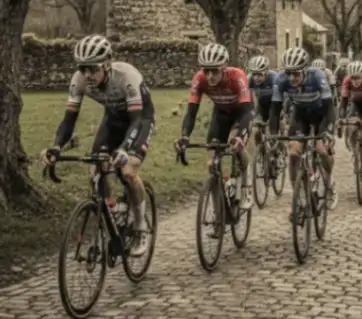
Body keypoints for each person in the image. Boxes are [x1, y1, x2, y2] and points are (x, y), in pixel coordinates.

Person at [41, 35, 155, 256]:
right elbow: (69, 118)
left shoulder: (127, 76)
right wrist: (56, 146)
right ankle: (112, 211)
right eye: (82, 68)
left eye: (92, 69)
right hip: (112, 120)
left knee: (129, 171)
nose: (87, 75)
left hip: (139, 120)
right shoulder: (79, 80)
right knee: (95, 170)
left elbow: (137, 119)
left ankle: (140, 227)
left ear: (107, 64)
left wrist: (124, 150)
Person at [176, 43, 254, 212]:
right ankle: (219, 214)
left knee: (236, 146)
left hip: (240, 114)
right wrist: (184, 137)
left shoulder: (237, 76)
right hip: (220, 115)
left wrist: (240, 136)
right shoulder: (200, 79)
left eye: (215, 71)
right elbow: (191, 113)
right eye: (206, 70)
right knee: (212, 164)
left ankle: (246, 184)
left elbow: (247, 111)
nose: (210, 76)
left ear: (224, 67)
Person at [269, 47, 338, 209]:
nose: (292, 78)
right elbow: (275, 109)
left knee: (321, 149)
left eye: (296, 74)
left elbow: (330, 107)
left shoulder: (318, 77)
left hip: (321, 115)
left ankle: (329, 183)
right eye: (289, 73)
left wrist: (327, 131)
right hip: (300, 116)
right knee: (293, 152)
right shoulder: (280, 79)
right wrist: (273, 134)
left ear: (305, 71)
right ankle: (299, 196)